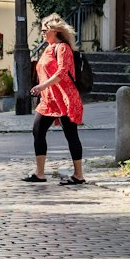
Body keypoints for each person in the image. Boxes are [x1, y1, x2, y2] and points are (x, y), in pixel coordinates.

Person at [27, 13, 85, 184]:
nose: (43, 33)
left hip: (64, 97)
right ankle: (40, 173)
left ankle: (78, 175)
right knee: (37, 131)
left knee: (71, 134)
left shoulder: (62, 48)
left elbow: (62, 72)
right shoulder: (47, 48)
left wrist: (42, 86)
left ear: (55, 31)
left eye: (45, 30)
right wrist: (43, 88)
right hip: (49, 100)